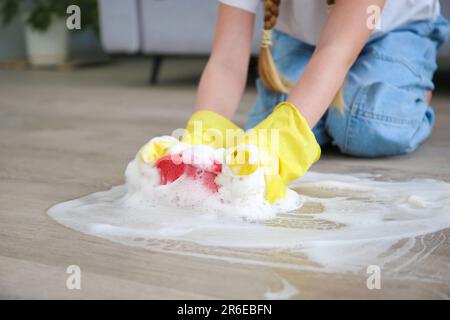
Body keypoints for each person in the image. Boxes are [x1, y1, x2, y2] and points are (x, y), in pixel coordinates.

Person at [142, 0, 450, 203]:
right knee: (265, 131)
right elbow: (225, 60)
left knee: (364, 124)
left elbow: (336, 51)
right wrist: (202, 143)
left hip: (393, 30)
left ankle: (413, 92)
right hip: (302, 38)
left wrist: (285, 142)